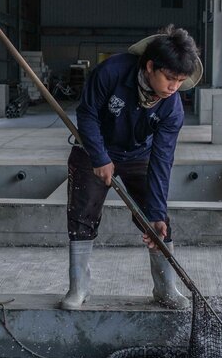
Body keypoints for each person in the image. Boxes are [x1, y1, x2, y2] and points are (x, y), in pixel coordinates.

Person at [60, 26, 203, 310]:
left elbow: (163, 159)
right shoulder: (112, 72)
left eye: (180, 81)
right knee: (82, 215)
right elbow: (87, 113)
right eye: (170, 78)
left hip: (140, 154)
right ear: (150, 66)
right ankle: (79, 288)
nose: (174, 87)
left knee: (158, 220)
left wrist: (157, 214)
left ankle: (165, 289)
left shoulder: (172, 107)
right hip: (92, 147)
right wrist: (99, 157)